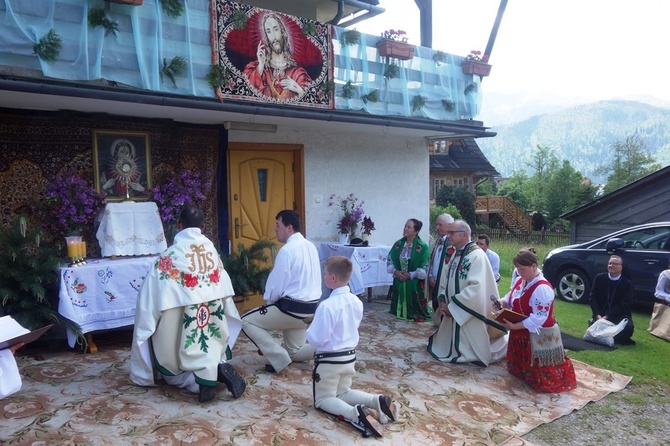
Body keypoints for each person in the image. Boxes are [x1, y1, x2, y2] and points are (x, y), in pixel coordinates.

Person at [130, 204, 246, 403]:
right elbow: (225, 292)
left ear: (178, 224)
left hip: (179, 325)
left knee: (173, 374)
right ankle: (217, 366)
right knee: (209, 343)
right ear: (203, 227)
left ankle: (203, 379)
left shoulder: (168, 258)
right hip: (211, 321)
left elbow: (148, 298)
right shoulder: (212, 253)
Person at [307, 256, 397, 438]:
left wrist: (309, 332)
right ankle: (376, 400)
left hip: (329, 361)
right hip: (349, 358)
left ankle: (356, 414)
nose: (324, 276)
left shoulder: (327, 305)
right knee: (343, 392)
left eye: (325, 273)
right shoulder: (356, 301)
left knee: (323, 399)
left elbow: (318, 339)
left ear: (332, 278)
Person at [241, 210, 322, 374]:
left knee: (245, 321)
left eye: (278, 225)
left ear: (289, 227)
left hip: (290, 310)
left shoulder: (287, 250)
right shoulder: (311, 246)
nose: (274, 229)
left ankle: (279, 357)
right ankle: (330, 351)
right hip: (310, 310)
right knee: (296, 352)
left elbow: (276, 287)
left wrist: (269, 304)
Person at [427, 220, 508, 366]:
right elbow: (445, 280)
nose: (448, 235)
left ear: (464, 234)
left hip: (469, 315)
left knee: (470, 351)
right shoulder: (455, 254)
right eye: (448, 232)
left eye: (452, 232)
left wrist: (453, 308)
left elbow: (476, 289)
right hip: (451, 311)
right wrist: (443, 302)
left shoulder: (476, 256)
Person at [498, 249, 576, 393]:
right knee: (519, 371)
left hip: (537, 334)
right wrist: (502, 302)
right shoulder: (521, 280)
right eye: (518, 269)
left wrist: (515, 326)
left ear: (534, 266)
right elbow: (512, 296)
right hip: (521, 331)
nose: (520, 272)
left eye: (523, 269)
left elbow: (539, 318)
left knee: (542, 377)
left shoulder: (542, 288)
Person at [243, 13, 313, 100]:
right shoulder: (260, 68)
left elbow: (311, 96)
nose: (273, 37)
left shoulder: (297, 73)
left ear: (282, 32)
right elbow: (246, 88)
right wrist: (261, 66)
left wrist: (298, 89)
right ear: (266, 37)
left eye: (275, 29)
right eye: (268, 31)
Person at [387, 218, 431, 322]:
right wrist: (396, 272)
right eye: (405, 226)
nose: (405, 229)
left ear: (416, 231)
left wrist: (410, 275)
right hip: (399, 281)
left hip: (414, 283)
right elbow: (389, 262)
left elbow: (425, 270)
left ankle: (413, 311)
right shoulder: (398, 245)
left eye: (409, 227)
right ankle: (398, 309)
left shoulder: (423, 247)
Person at [589, 255, 635, 344]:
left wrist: (607, 316)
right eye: (610, 263)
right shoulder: (599, 278)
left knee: (628, 327)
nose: (611, 265)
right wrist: (597, 315)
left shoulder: (627, 283)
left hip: (619, 314)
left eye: (615, 264)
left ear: (622, 267)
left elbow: (624, 304)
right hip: (600, 314)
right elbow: (592, 297)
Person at [425, 213, 455, 327]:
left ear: (449, 225)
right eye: (437, 224)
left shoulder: (452, 243)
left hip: (444, 282)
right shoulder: (437, 242)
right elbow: (431, 260)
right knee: (435, 304)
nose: (437, 227)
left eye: (440, 225)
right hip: (434, 280)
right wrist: (431, 275)